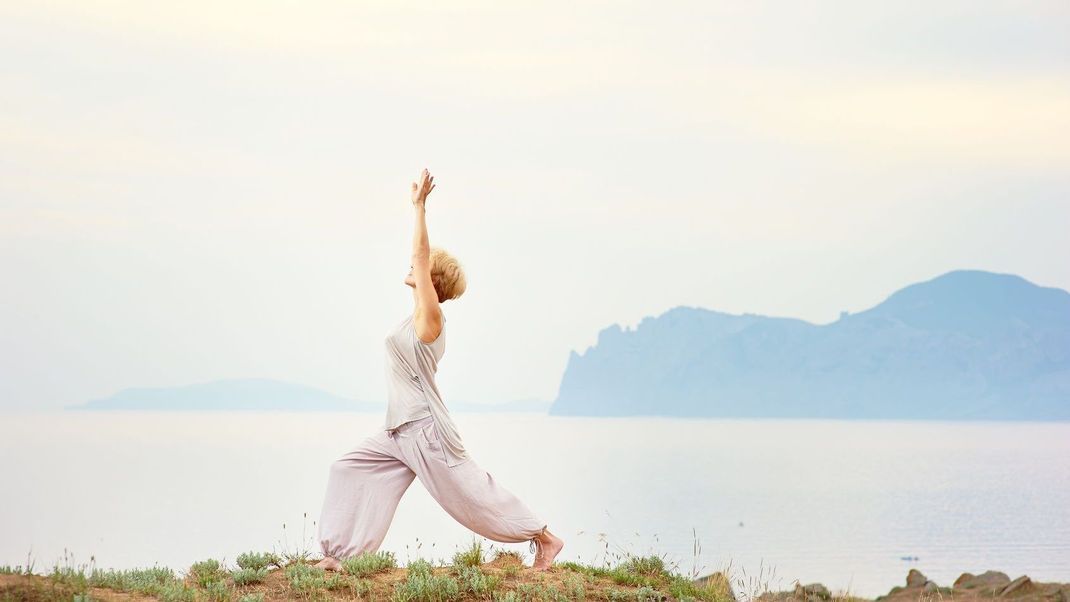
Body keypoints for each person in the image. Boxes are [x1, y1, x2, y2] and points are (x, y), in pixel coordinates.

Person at [314, 168, 565, 572]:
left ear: (431, 278)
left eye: (422, 264)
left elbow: (418, 254)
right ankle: (339, 557)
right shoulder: (413, 318)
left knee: (472, 498)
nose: (411, 264)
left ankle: (544, 537)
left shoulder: (431, 321)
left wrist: (419, 207)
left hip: (427, 433)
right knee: (347, 468)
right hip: (398, 430)